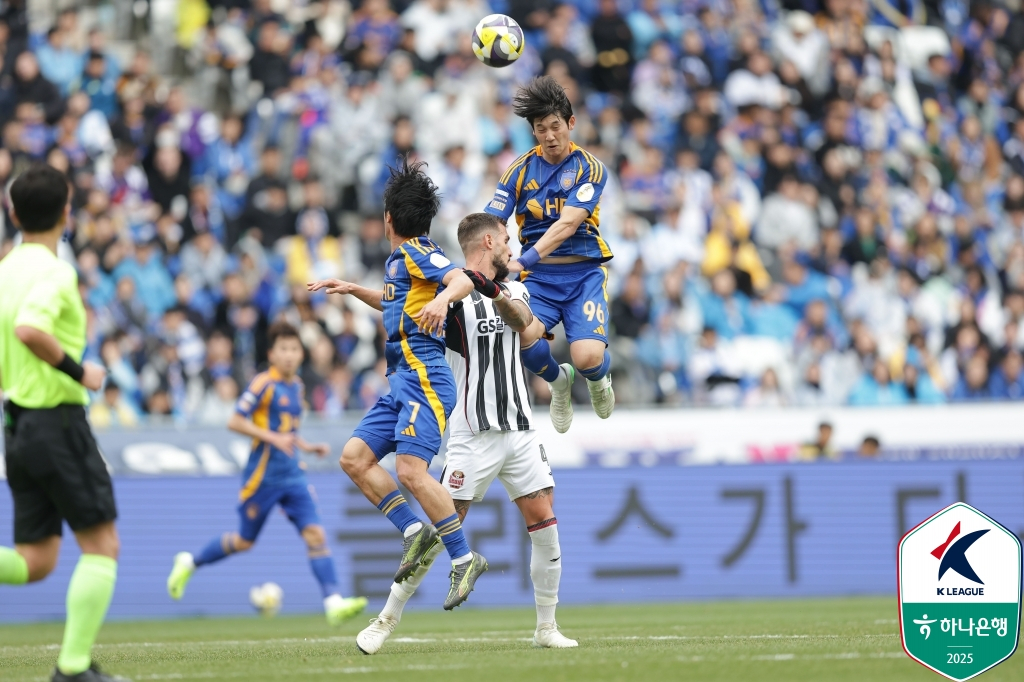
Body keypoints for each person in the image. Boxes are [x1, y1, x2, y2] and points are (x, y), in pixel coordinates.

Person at [354, 213, 578, 654]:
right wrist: (355, 290)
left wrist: (494, 292)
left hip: (519, 429)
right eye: (506, 239)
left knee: (544, 523)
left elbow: (527, 326)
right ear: (488, 242)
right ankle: (385, 619)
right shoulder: (448, 293)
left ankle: (546, 626)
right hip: (470, 434)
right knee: (443, 530)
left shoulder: (515, 289)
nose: (512, 247)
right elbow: (401, 306)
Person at [307, 157, 488, 611]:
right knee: (354, 458)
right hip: (402, 381)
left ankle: (464, 558)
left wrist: (443, 301)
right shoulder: (400, 261)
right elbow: (396, 303)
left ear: (388, 218)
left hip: (425, 376)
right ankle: (413, 530)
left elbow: (460, 278)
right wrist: (354, 289)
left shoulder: (418, 252)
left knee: (410, 471)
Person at [0, 165, 125, 682]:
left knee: (36, 561)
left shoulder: (4, 270)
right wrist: (81, 372)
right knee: (102, 546)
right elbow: (30, 329)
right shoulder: (55, 272)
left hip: (17, 425)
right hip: (56, 420)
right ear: (66, 213)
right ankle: (72, 669)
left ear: (13, 214)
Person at [165, 322, 368, 626]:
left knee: (316, 534)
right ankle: (189, 562)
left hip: (293, 474)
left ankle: (333, 602)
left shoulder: (297, 386)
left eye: (294, 349)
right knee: (244, 541)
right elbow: (235, 421)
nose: (289, 355)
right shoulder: (263, 383)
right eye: (283, 349)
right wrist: (273, 438)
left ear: (301, 354)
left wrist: (306, 446)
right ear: (272, 354)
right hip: (263, 477)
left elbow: (288, 430)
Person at [484, 76, 616, 434]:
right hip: (540, 281)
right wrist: (485, 260)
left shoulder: (590, 167)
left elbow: (568, 224)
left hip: (583, 276)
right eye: (541, 129)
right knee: (520, 334)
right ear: (533, 131)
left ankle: (598, 379)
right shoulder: (518, 171)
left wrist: (521, 261)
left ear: (571, 123)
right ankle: (559, 383)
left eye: (556, 126)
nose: (550, 136)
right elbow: (491, 223)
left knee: (587, 358)